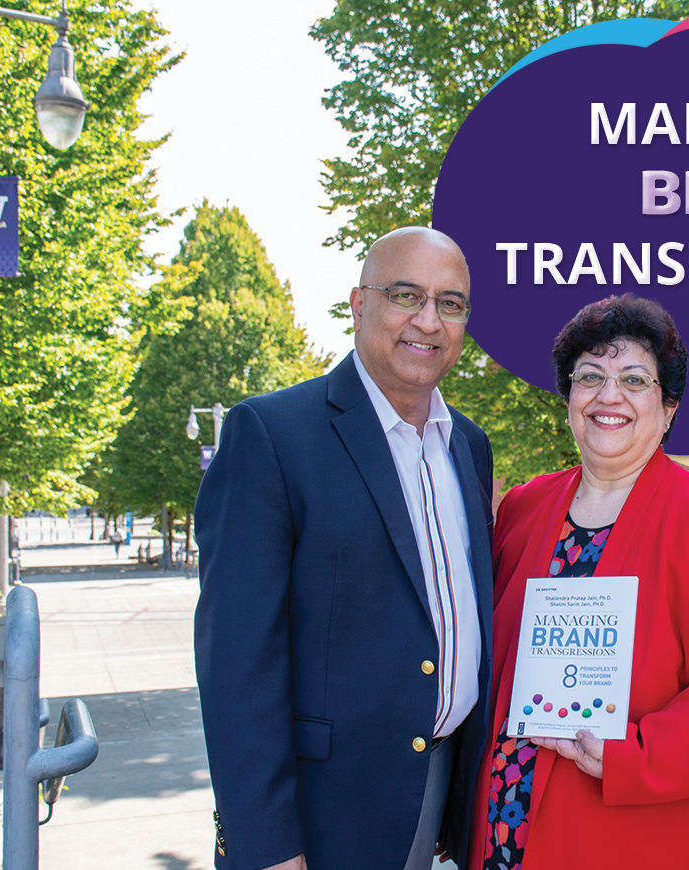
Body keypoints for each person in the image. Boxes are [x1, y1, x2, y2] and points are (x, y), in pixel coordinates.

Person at [471, 294, 689, 870]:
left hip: (639, 835)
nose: (609, 396)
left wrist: (640, 752)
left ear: (669, 405)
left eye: (634, 379)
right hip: (509, 827)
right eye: (590, 377)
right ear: (569, 395)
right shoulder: (524, 508)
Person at [193, 227, 495, 870]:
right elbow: (236, 667)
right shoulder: (272, 435)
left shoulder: (469, 446)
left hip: (436, 789)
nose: (427, 320)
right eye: (406, 294)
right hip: (322, 815)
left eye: (451, 303)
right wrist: (267, 845)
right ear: (360, 305)